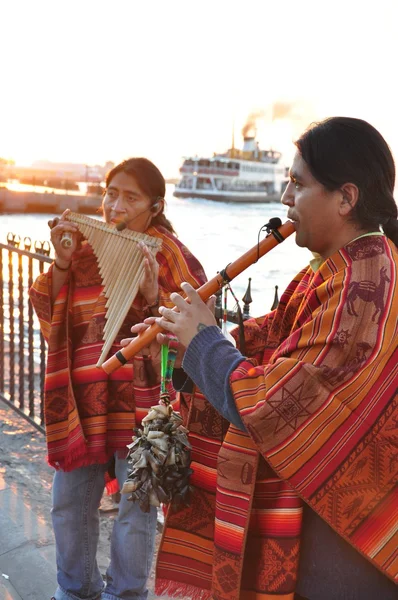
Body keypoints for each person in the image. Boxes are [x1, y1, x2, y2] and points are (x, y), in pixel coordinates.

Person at [131, 118, 398, 599]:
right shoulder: (332, 270)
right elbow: (266, 349)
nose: (284, 199)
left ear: (346, 198)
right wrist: (183, 343)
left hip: (343, 533)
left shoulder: (369, 278)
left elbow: (277, 404)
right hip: (320, 515)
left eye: (297, 183)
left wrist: (203, 341)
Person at [29, 157, 207, 600]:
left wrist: (152, 297)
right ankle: (75, 589)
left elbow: (198, 329)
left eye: (130, 197)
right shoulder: (85, 244)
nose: (115, 206)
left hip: (144, 399)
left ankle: (124, 594)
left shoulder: (170, 255)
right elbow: (49, 313)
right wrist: (64, 263)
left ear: (155, 205)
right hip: (85, 395)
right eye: (111, 194)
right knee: (69, 503)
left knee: (136, 506)